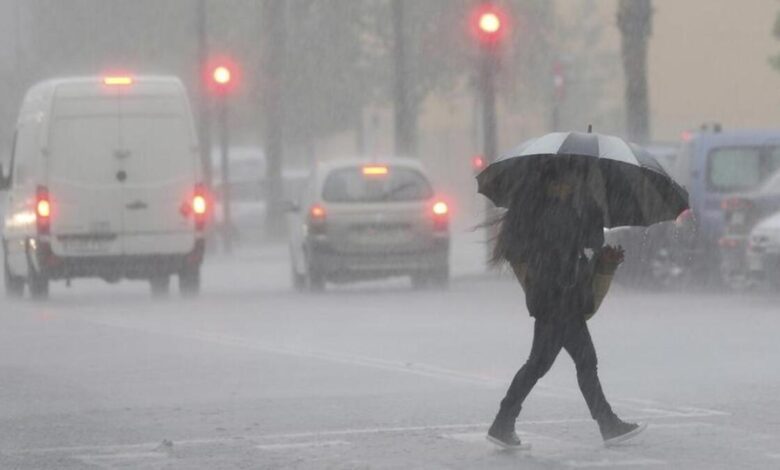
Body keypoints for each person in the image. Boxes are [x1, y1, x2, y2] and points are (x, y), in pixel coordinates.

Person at [486, 160, 646, 449]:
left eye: (572, 180)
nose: (570, 185)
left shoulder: (552, 211)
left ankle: (504, 422)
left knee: (550, 364)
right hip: (559, 301)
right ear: (552, 184)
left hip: (557, 301)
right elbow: (577, 247)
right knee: (570, 363)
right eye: (566, 181)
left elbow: (578, 250)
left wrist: (598, 254)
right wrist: (588, 213)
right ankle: (606, 424)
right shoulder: (557, 214)